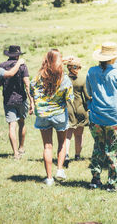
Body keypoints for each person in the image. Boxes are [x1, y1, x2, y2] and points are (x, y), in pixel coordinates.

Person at [86, 42, 117, 192]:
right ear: (114, 57)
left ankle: (95, 179)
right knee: (115, 150)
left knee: (98, 148)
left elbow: (89, 91)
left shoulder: (91, 71)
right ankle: (112, 183)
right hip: (114, 116)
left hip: (96, 116)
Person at [30, 49, 74, 186]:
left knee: (47, 146)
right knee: (62, 143)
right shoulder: (63, 78)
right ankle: (60, 170)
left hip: (43, 115)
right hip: (59, 114)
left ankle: (49, 178)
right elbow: (69, 98)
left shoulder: (38, 78)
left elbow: (31, 90)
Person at [0, 45, 34, 159]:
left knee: (11, 126)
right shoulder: (22, 66)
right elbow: (27, 85)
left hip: (8, 99)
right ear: (18, 55)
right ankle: (21, 148)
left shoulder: (1, 66)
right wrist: (32, 101)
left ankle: (15, 153)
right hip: (21, 99)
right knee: (22, 123)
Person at [64, 56, 90, 167]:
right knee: (79, 135)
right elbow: (88, 96)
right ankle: (78, 155)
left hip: (67, 108)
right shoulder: (83, 78)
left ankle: (65, 154)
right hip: (80, 108)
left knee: (67, 134)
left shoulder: (64, 78)